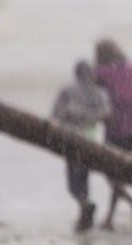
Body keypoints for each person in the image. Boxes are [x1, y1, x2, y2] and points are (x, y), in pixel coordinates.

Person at [93, 39, 132, 231]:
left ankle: (118, 212)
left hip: (114, 130)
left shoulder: (101, 73)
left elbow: (92, 95)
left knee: (112, 172)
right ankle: (125, 208)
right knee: (118, 172)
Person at [51, 60, 111, 233]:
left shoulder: (67, 91)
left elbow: (56, 115)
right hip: (91, 139)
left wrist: (72, 115)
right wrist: (91, 117)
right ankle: (84, 209)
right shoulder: (100, 93)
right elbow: (106, 114)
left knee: (72, 181)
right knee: (83, 175)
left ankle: (84, 206)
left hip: (70, 139)